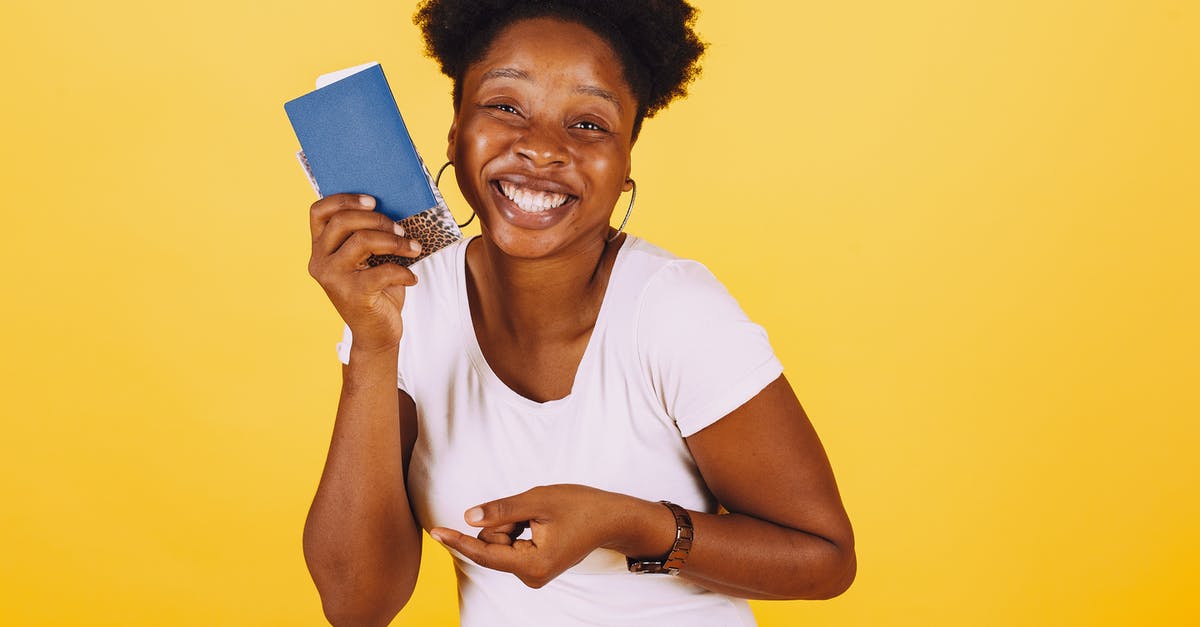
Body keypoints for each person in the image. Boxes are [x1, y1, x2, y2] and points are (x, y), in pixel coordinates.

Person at [302, 1, 856, 625]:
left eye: (588, 123)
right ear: (455, 135)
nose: (541, 149)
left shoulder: (671, 310)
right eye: (506, 106)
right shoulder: (405, 301)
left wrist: (630, 523)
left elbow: (825, 559)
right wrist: (373, 347)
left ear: (624, 168)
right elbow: (357, 605)